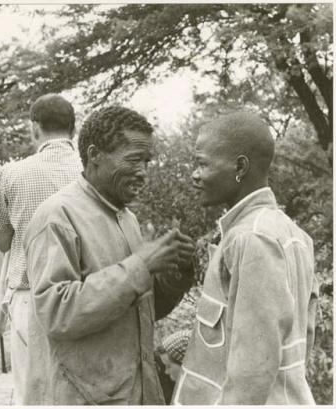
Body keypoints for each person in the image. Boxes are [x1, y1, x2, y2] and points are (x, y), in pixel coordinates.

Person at [24, 105, 196, 405]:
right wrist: (141, 265)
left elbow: (136, 311)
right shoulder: (57, 216)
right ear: (94, 155)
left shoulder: (126, 219)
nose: (143, 172)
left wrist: (176, 276)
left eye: (147, 161)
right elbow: (56, 313)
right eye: (133, 160)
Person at [172, 111, 318, 405]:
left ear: (240, 167)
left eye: (202, 164)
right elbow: (307, 335)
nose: (194, 174)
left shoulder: (252, 238)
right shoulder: (293, 234)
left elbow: (252, 370)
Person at [0, 93, 82, 404]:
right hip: (84, 294)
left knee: (30, 392)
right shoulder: (90, 171)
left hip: (29, 296)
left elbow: (2, 242)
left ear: (34, 128)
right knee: (78, 388)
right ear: (74, 129)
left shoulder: (12, 173)